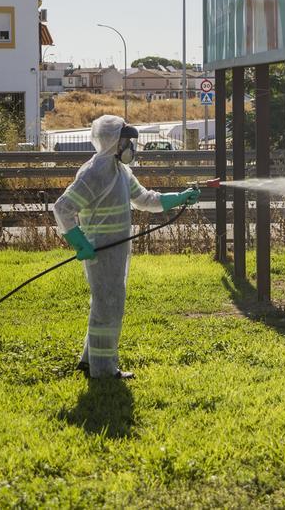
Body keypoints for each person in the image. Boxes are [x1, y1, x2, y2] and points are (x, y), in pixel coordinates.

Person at [53, 115, 200, 379]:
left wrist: (178, 198)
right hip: (100, 251)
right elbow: (63, 207)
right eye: (126, 141)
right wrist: (79, 242)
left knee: (106, 304)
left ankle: (90, 359)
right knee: (108, 305)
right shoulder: (94, 172)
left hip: (115, 250)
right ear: (113, 142)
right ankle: (103, 370)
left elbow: (144, 199)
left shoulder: (120, 170)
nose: (130, 147)